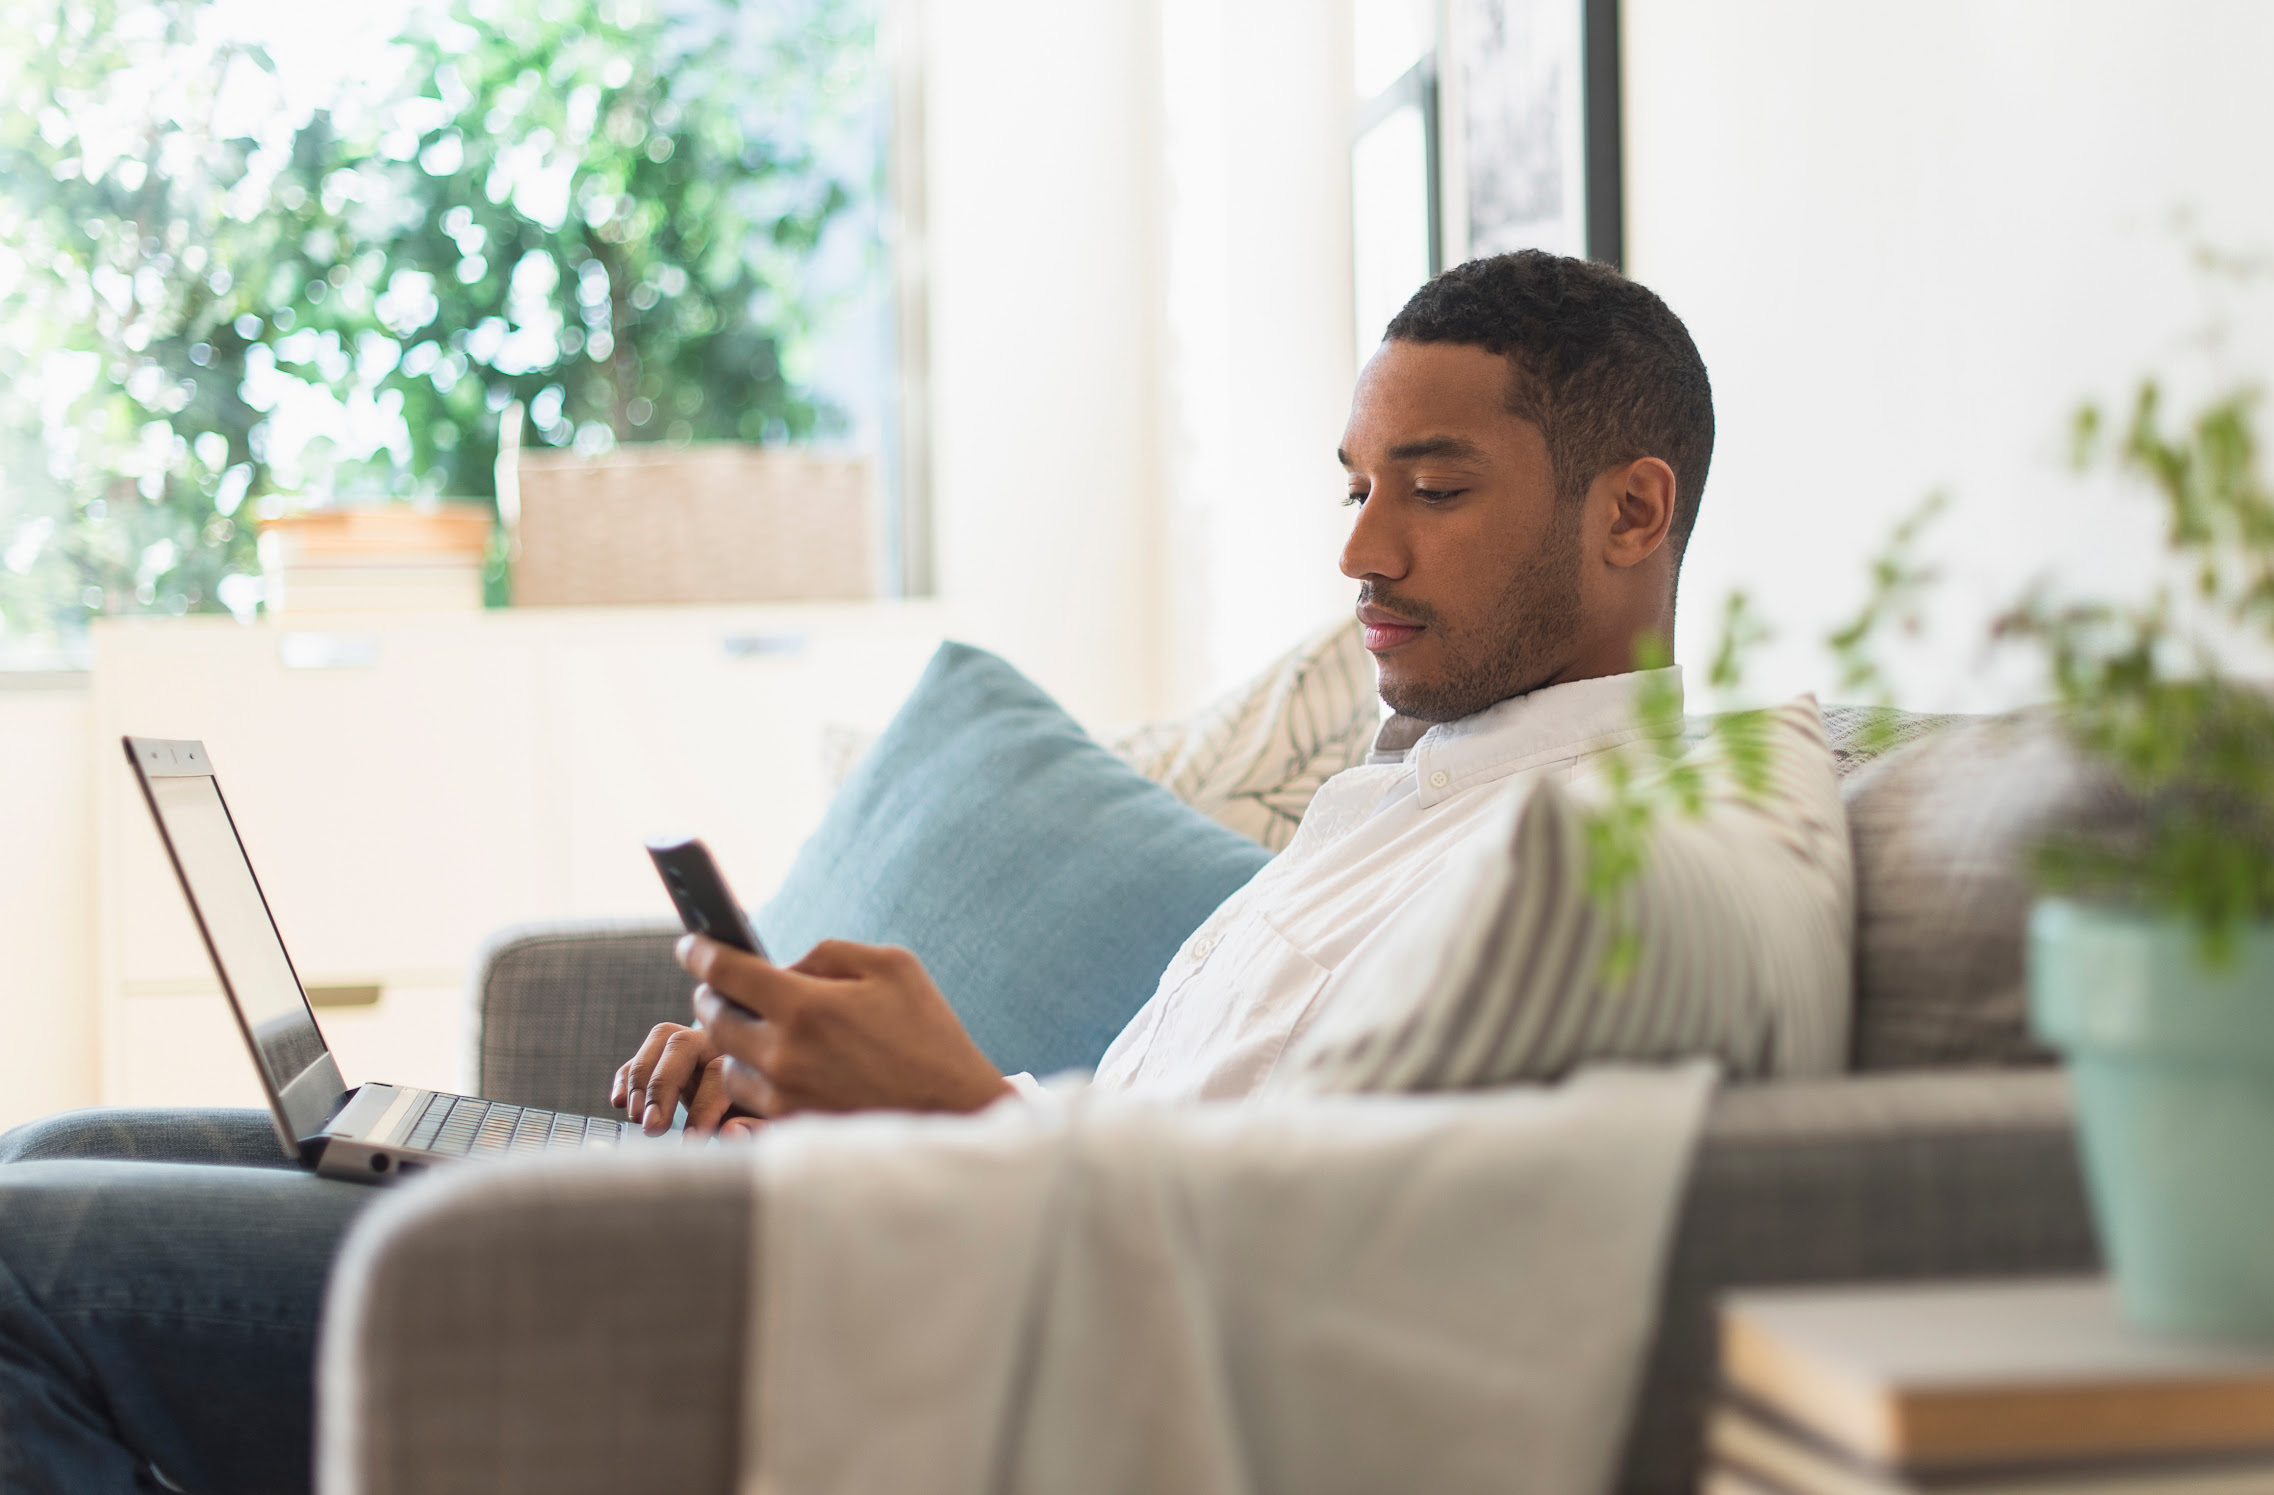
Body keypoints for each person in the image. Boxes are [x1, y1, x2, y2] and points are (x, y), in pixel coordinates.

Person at [0, 249, 1716, 1494]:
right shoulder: (1424, 791)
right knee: (60, 1147)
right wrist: (848, 1106)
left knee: (22, 1258)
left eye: (1428, 488)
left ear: (1629, 514)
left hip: (883, 1338)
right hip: (893, 1233)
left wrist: (960, 1113)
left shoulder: (1604, 864)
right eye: (1352, 488)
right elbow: (1210, 1136)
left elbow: (1336, 1294)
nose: (1355, 552)